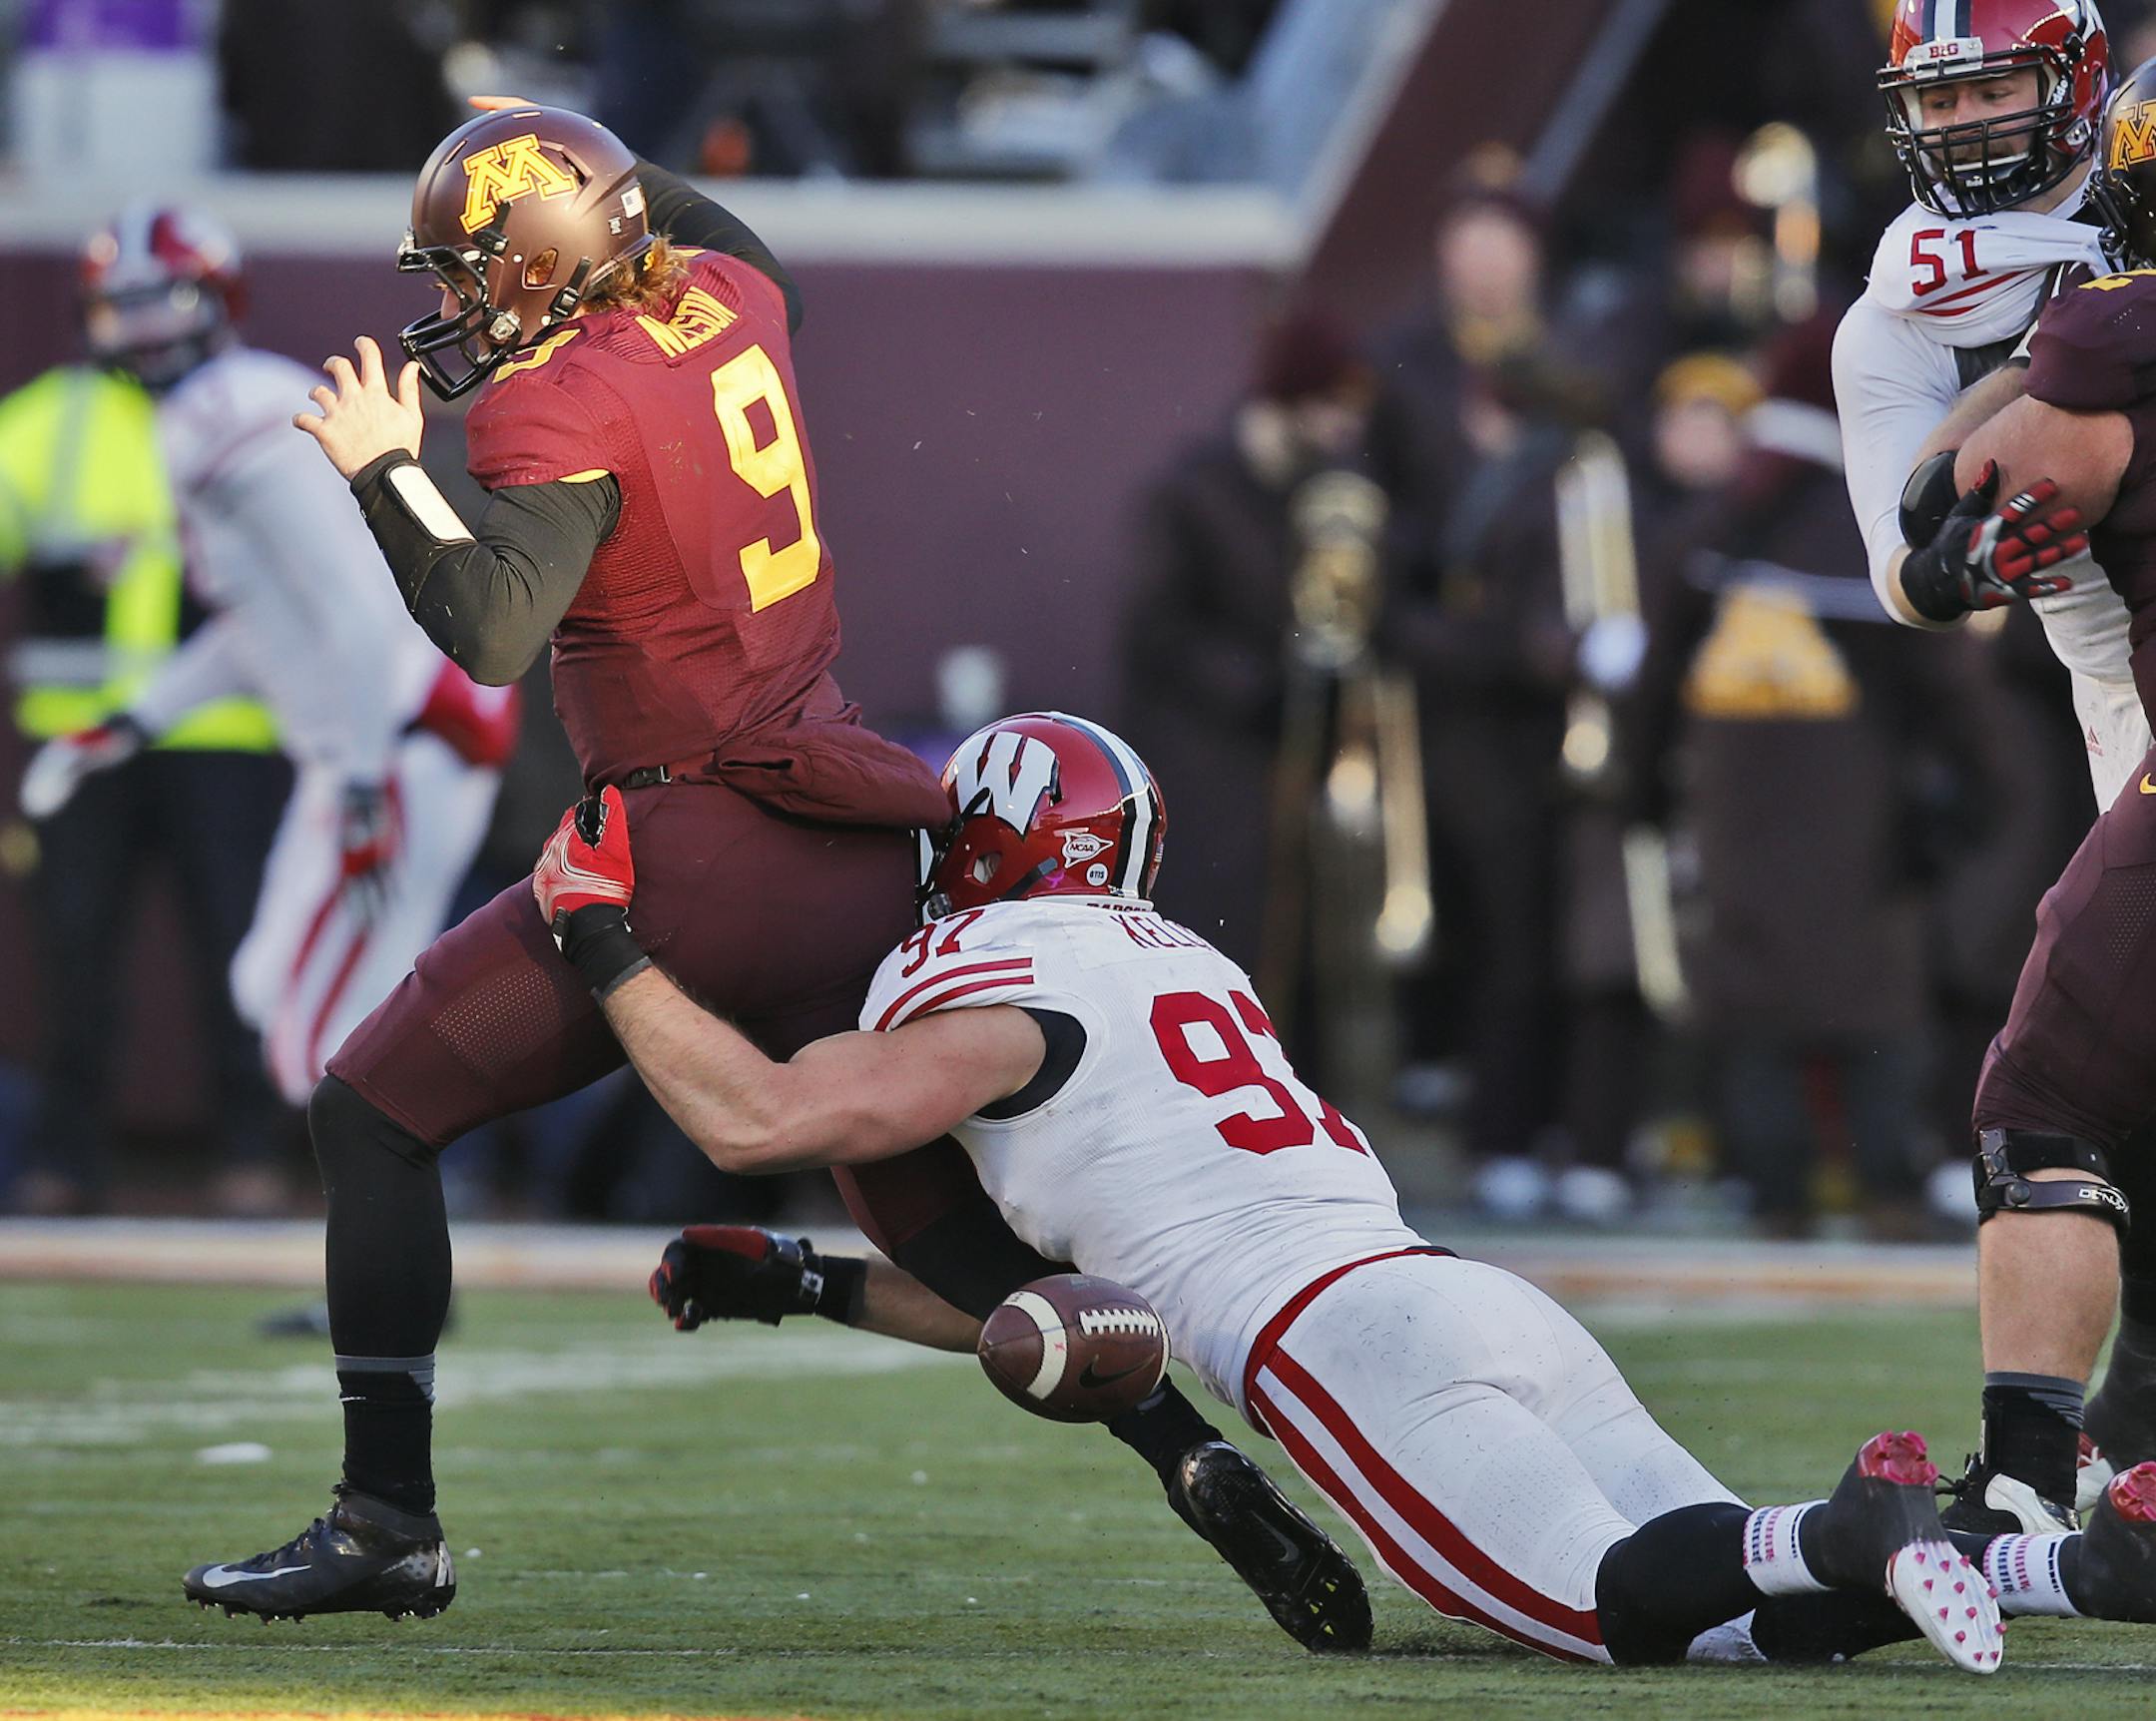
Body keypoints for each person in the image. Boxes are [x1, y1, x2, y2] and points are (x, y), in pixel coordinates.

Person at [181, 104, 1360, 1645]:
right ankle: (1183, 1448)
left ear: (551, 256)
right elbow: (718, 241)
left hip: (689, 849)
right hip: (855, 843)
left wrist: (384, 471)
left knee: (371, 1112)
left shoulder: (551, 406)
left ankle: (386, 1522)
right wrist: (582, 169)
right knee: (957, 1245)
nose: (461, 304)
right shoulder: (722, 298)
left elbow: (489, 624)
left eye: (480, 267)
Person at [523, 709, 2059, 1672]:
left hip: (1333, 1338)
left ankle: (1854, 1528)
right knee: (1749, 1616)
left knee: (1609, 1607)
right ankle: (2050, 1565)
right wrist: (808, 1284)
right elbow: (1062, 1295)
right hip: (1463, 1293)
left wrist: (600, 937)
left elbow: (756, 1114)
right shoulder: (1184, 964)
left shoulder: (986, 997)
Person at [1832, 0, 2141, 1530]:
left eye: (1995, 88)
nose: (1961, 126)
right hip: (2114, 677)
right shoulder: (1894, 310)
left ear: (2080, 84)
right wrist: (1952, 572)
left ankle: (2039, 1479)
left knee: (2057, 1089)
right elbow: (1900, 552)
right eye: (1936, 98)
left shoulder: (2129, 212)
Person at [21, 208, 519, 1121]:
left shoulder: (231, 409)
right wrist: (129, 724)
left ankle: (424, 1170)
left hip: (404, 732)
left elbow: (355, 612)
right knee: (269, 992)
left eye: (161, 301)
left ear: (213, 298)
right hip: (367, 740)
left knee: (322, 1035)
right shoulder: (200, 415)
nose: (142, 331)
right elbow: (264, 624)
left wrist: (367, 784)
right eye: (120, 308)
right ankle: (413, 1157)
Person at [0, 359, 285, 1215]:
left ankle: (250, 1154)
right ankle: (65, 1158)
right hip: (85, 738)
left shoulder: (257, 407)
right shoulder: (50, 417)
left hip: (222, 736)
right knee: (75, 952)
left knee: (241, 952)